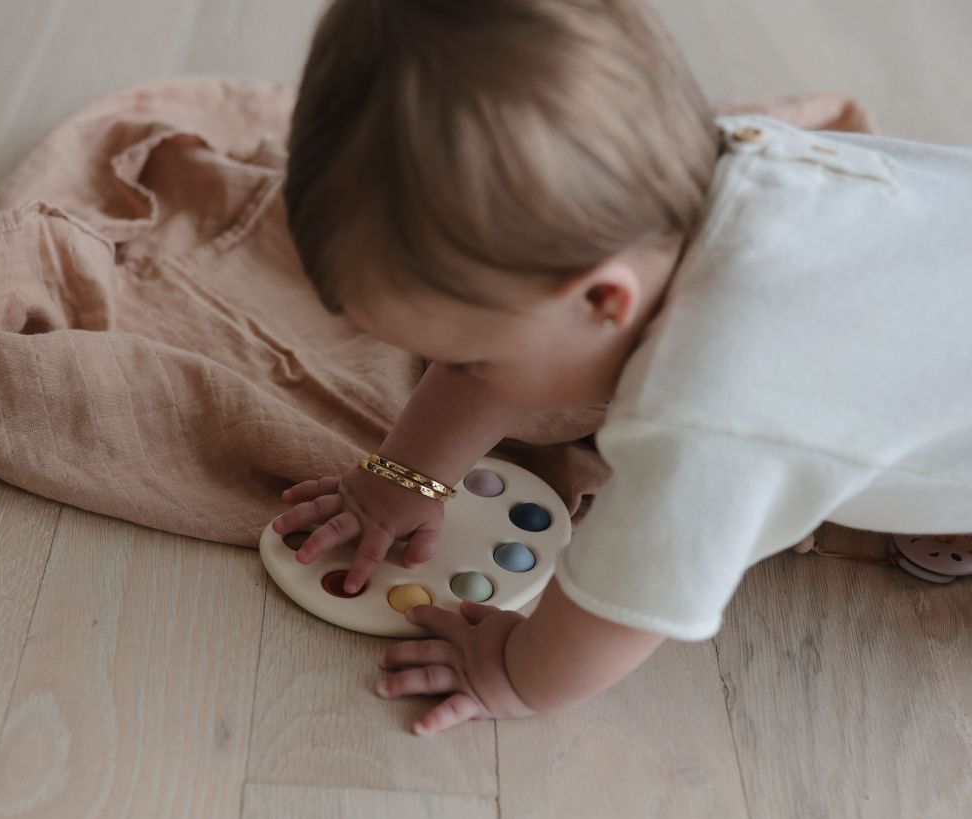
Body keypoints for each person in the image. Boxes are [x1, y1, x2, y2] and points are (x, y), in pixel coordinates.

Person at [272, 0, 972, 736]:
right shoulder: (729, 168)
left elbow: (631, 595)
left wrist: (511, 672)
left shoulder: (708, 409)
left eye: (471, 360)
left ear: (605, 300)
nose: (451, 372)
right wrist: (404, 477)